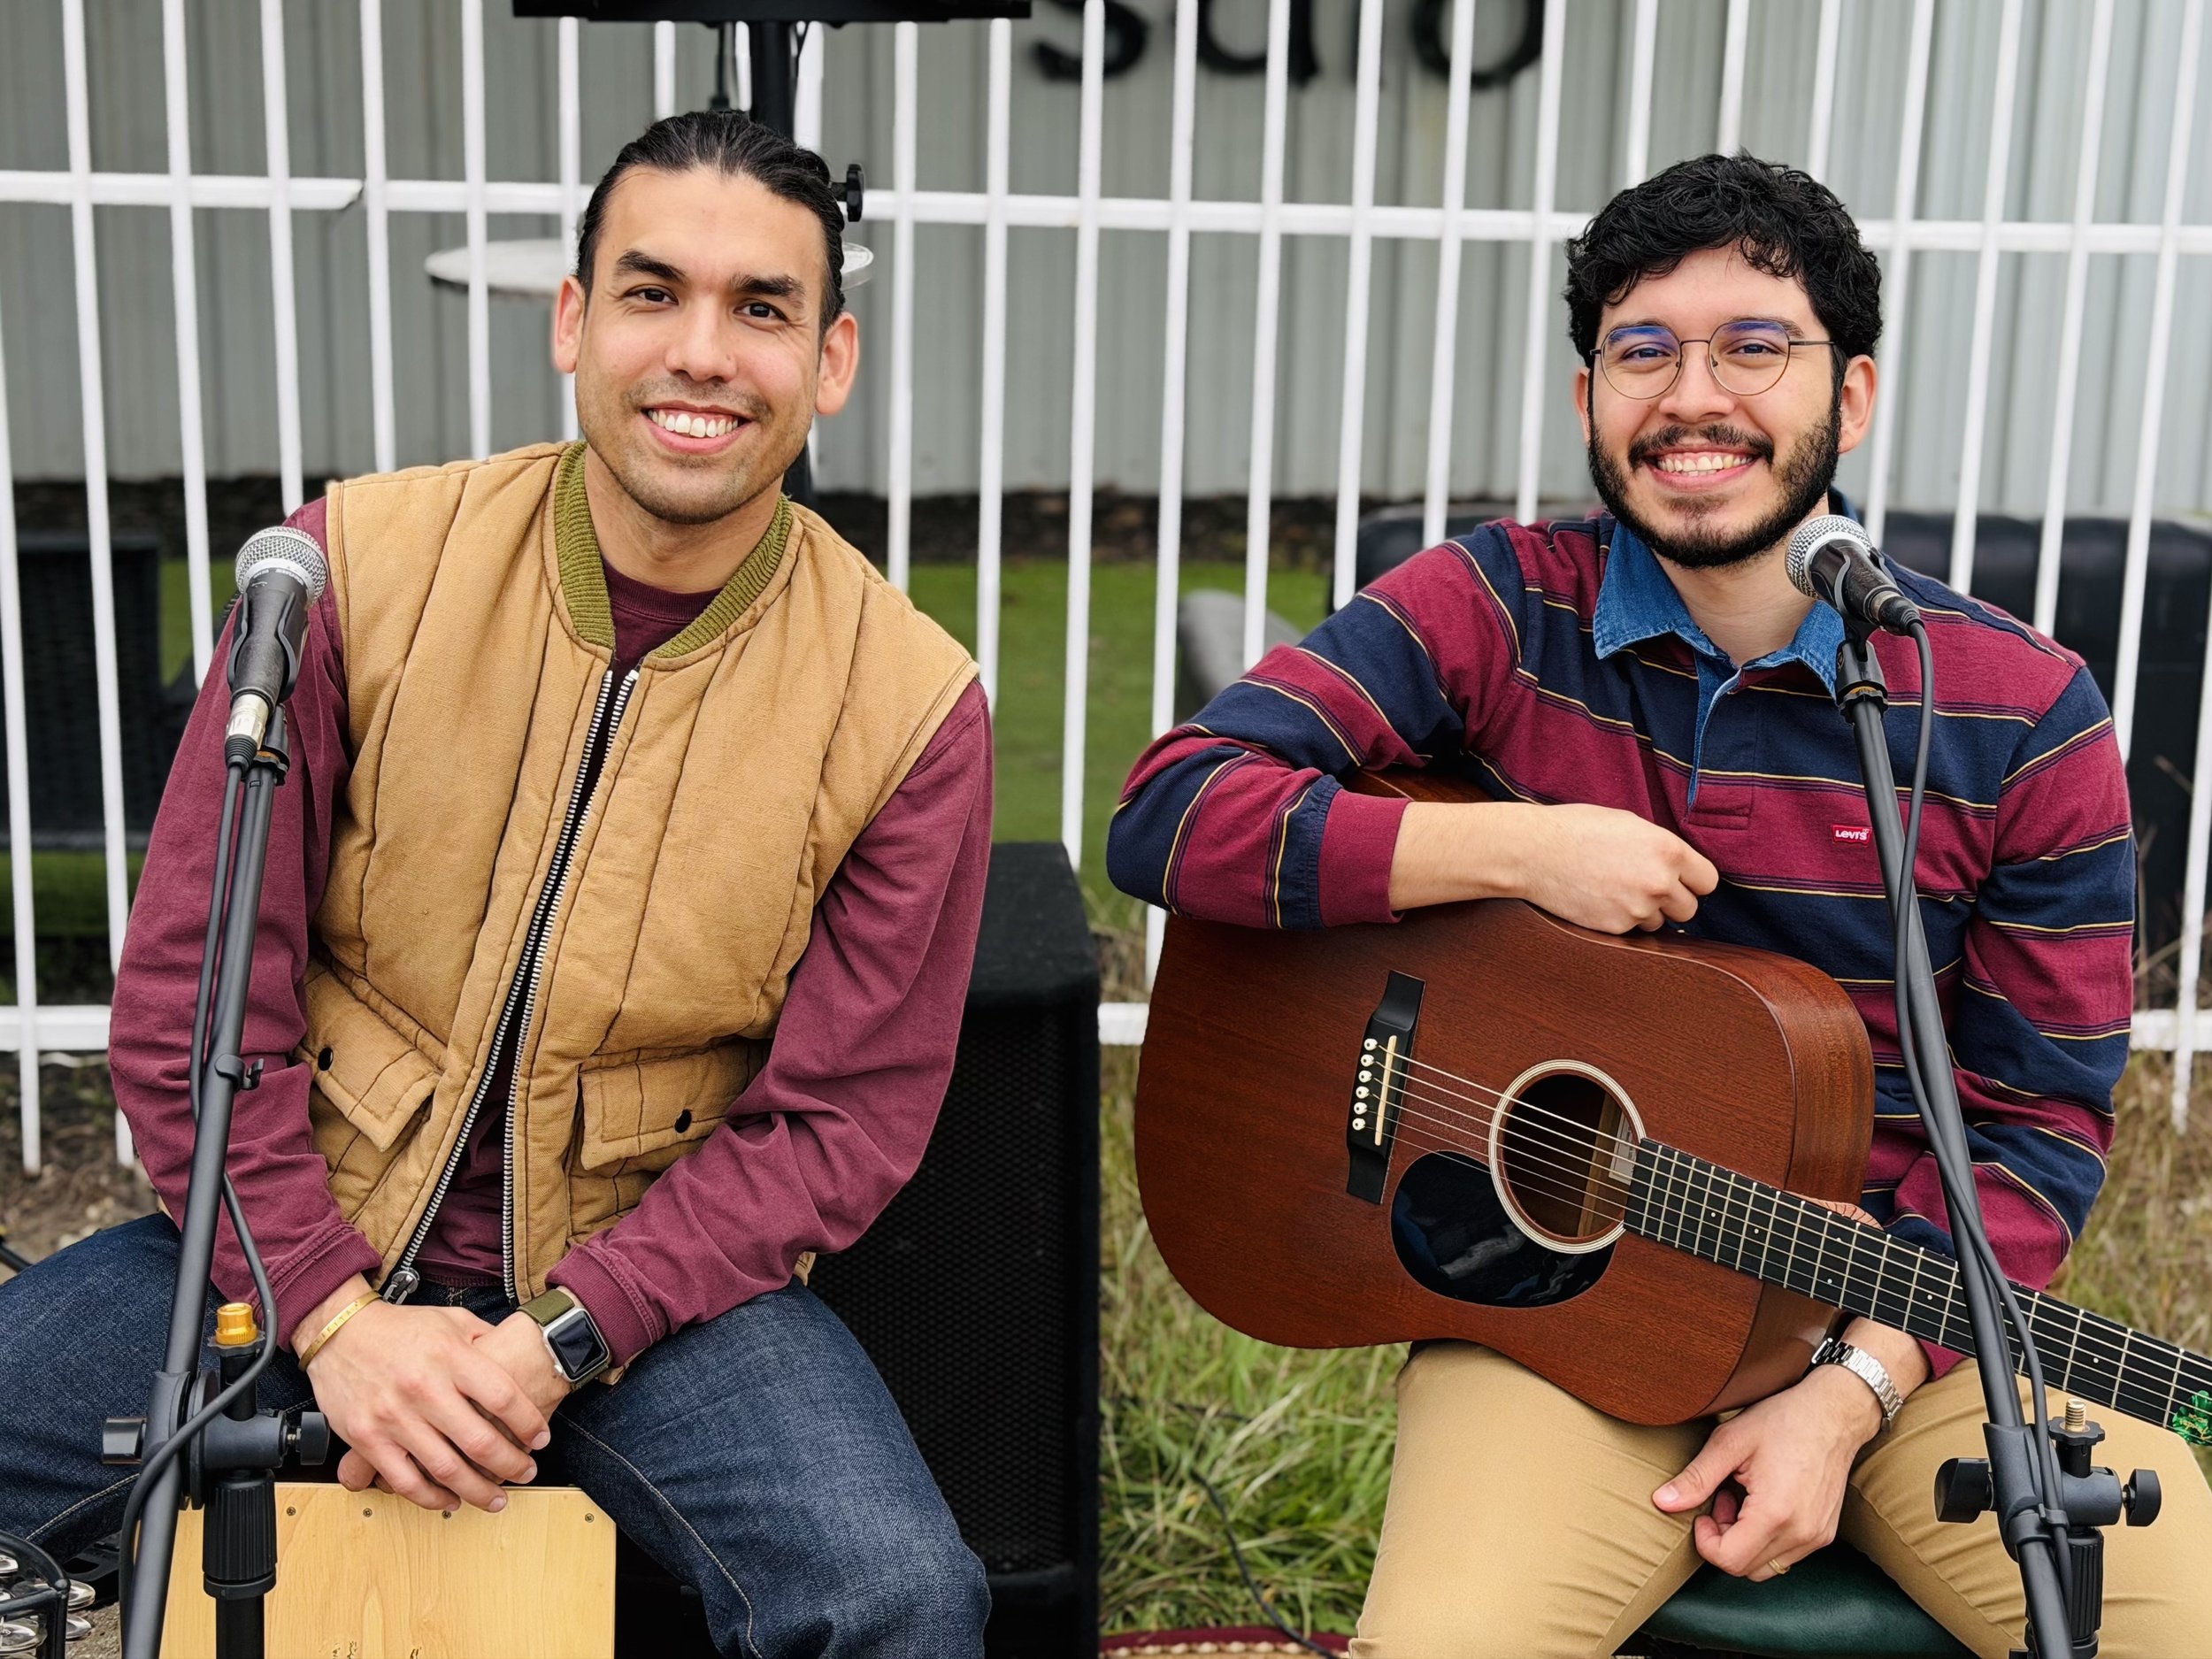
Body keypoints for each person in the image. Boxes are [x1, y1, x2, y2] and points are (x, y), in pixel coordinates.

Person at [1107, 153, 2212, 1659]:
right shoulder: (1494, 605)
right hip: (1566, 1329)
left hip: (1894, 1336)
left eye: (1756, 346)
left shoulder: (2020, 711)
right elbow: (1173, 809)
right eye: (1644, 351)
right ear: (1589, 405)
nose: (1697, 396)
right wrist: (1517, 854)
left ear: (1856, 393)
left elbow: (2038, 1127)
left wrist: (1850, 1393)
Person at [0, 111, 992, 1658]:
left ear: (833, 359)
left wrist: (553, 1342)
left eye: (763, 309)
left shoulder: (908, 702)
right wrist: (335, 1321)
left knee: (899, 1597)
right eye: (652, 292)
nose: (702, 355)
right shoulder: (352, 571)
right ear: (574, 321)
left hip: (650, 1301)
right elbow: (200, 999)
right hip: (298, 1243)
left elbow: (835, 1125)